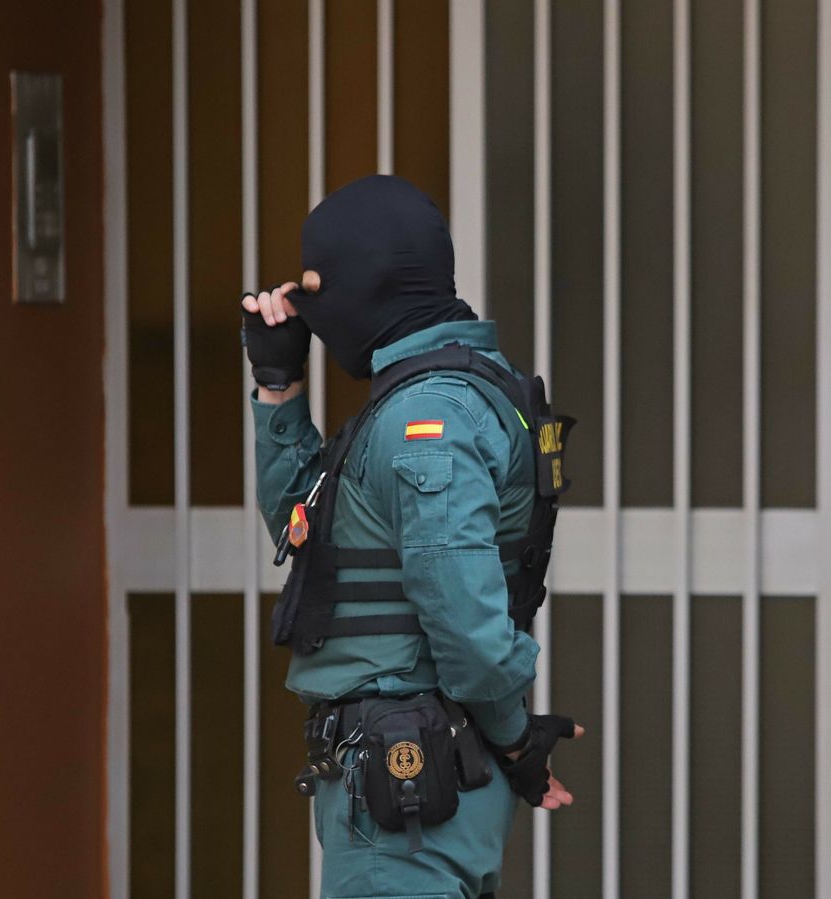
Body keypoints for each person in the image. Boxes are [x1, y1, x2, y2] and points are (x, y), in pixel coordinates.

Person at [240, 174, 582, 899]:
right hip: (416, 784)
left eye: (314, 285)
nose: (304, 306)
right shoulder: (432, 395)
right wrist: (278, 386)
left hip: (407, 797)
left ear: (368, 282)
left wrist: (517, 738)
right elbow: (314, 537)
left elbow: (464, 621)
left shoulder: (426, 417)